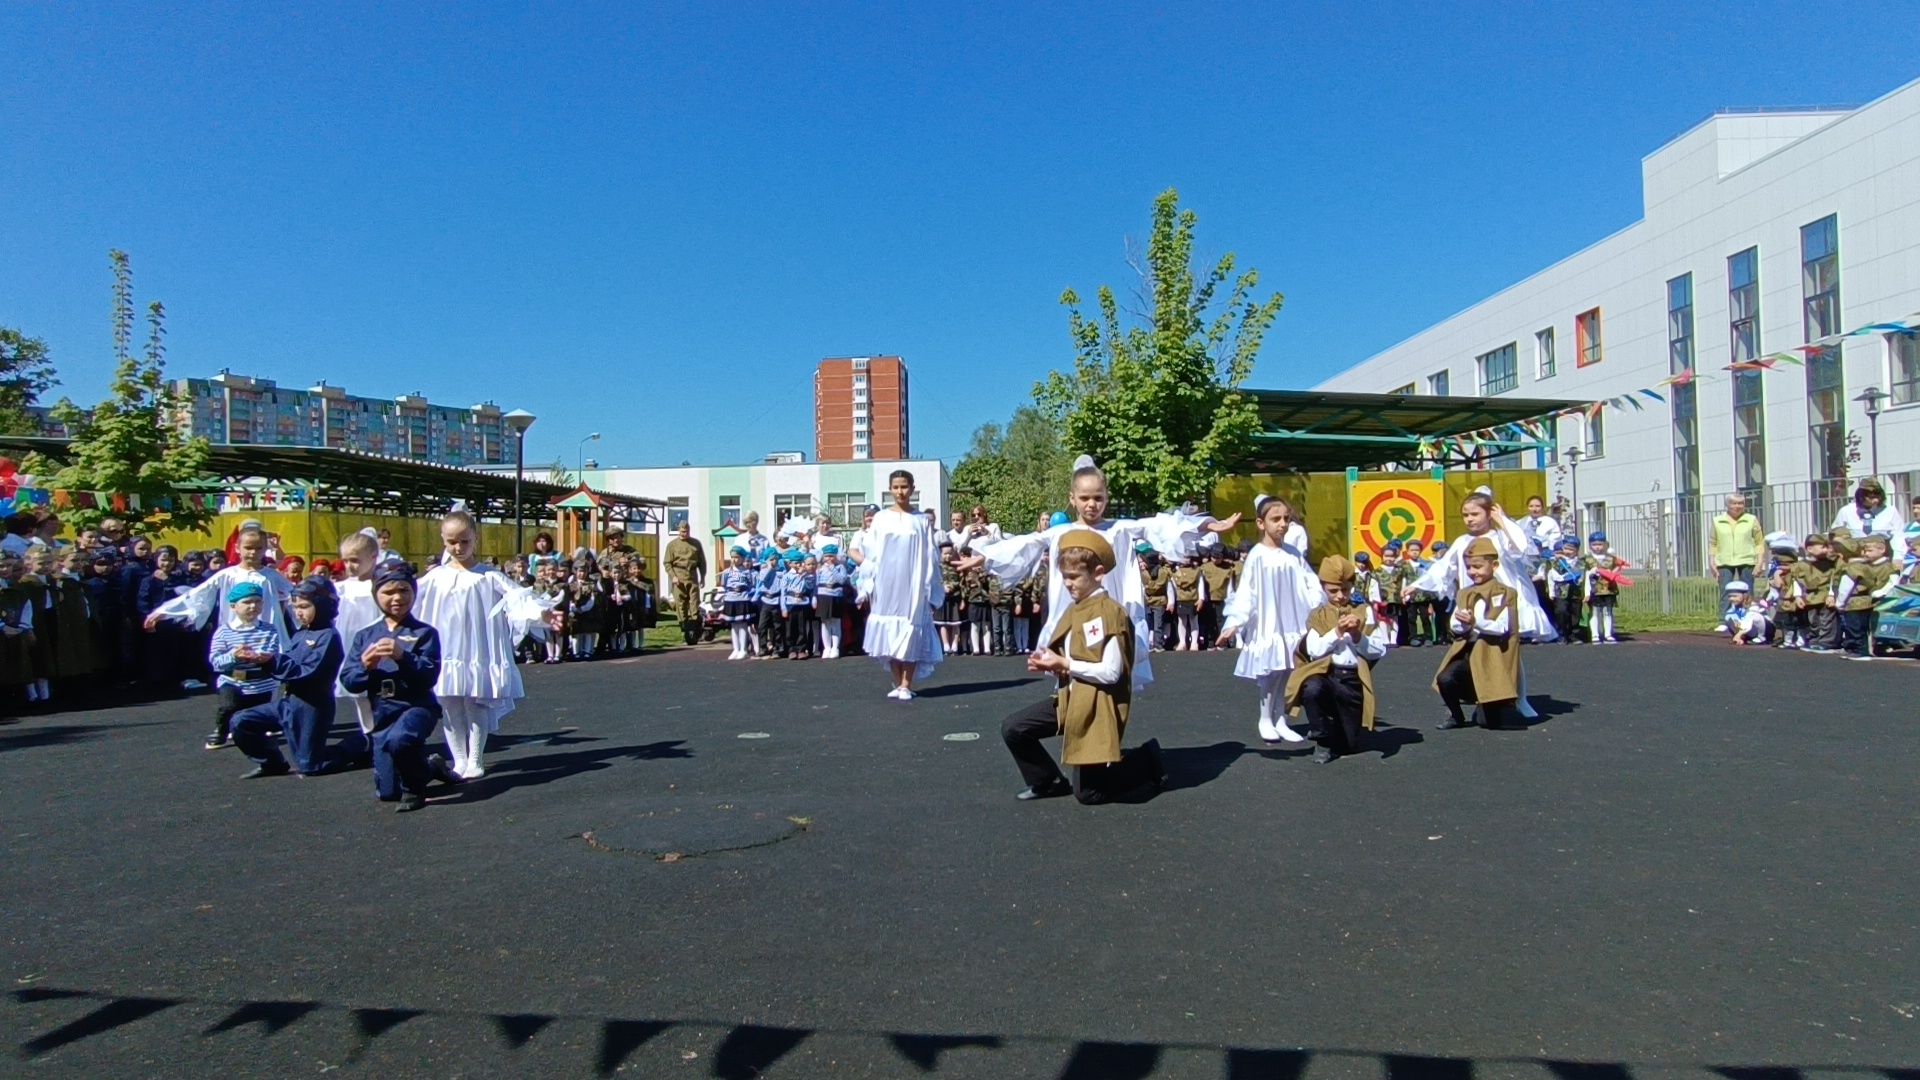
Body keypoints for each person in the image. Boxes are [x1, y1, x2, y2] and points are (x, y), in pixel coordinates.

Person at [963, 457, 1237, 691]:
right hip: (1069, 615)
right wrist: (982, 557)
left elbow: (1160, 526)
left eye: (1098, 498)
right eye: (1084, 498)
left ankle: (1106, 737)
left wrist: (1206, 525)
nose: (1091, 504)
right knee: (1070, 674)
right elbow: (1024, 544)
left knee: (1108, 674)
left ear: (1107, 498)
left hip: (1108, 615)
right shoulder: (1061, 532)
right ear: (1072, 499)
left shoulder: (1119, 529)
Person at [997, 529, 1166, 804]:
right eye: (1064, 577)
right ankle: (1047, 781)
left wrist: (1065, 663)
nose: (1068, 584)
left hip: (1097, 705)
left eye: (1074, 577)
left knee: (1089, 794)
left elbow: (1111, 673)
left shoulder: (1109, 612)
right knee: (1014, 728)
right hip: (1071, 699)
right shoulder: (1076, 609)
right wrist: (1051, 665)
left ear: (1098, 573)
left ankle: (1148, 761)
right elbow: (1072, 658)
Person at [413, 509, 552, 779]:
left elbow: (517, 599)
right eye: (452, 541)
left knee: (475, 703)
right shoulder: (434, 578)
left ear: (475, 539)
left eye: (464, 541)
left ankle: (475, 758)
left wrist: (542, 613)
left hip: (478, 651)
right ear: (443, 540)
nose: (458, 547)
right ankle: (459, 760)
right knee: (450, 705)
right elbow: (411, 603)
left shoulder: (488, 576)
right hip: (447, 651)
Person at [1412, 492, 1556, 717]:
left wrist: (1502, 521)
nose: (1469, 519)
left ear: (1489, 513)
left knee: (1509, 651)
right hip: (1473, 602)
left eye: (1475, 514)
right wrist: (1417, 585)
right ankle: (1483, 695)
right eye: (1465, 515)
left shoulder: (1500, 537)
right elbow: (1444, 568)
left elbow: (1522, 548)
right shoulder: (1462, 542)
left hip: (1501, 601)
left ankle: (1520, 698)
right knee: (1474, 650)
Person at [340, 563, 459, 812]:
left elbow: (428, 677)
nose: (397, 598)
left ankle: (415, 792)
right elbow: (348, 680)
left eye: (404, 590)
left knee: (401, 741)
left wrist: (402, 656)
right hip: (383, 711)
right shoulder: (366, 636)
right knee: (387, 792)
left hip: (416, 706)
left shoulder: (424, 633)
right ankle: (430, 768)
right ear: (376, 595)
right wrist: (365, 666)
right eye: (388, 592)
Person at [230, 577, 372, 778]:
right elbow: (286, 665)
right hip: (289, 701)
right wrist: (255, 662)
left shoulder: (328, 636)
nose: (298, 612)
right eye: (295, 606)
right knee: (241, 722)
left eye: (304, 606)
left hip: (311, 706)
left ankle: (362, 743)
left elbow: (307, 672)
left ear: (322, 605)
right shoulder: (301, 634)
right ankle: (272, 763)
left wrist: (271, 661)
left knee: (312, 765)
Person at [1216, 495, 1324, 744]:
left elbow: (1310, 583)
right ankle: (1265, 718)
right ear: (1261, 523)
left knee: (1287, 668)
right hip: (1269, 623)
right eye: (1276, 519)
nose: (1283, 524)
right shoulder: (1257, 555)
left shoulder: (1293, 553)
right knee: (1270, 671)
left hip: (1292, 621)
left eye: (1286, 518)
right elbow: (1247, 593)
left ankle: (1280, 719)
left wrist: (1319, 607)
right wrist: (1234, 623)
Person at [1283, 554, 1390, 764]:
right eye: (1333, 591)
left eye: (1346, 590)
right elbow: (1314, 650)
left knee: (1348, 745)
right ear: (1324, 588)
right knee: (1312, 688)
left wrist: (1358, 636)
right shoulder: (1319, 615)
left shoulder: (1363, 611)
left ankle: (1341, 731)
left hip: (1352, 680)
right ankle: (1321, 738)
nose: (1340, 596)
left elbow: (1378, 650)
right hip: (1327, 675)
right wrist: (1337, 632)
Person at [854, 470, 946, 698]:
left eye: (904, 487)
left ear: (912, 489)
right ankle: (898, 683)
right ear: (890, 489)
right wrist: (867, 584)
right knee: (888, 633)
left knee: (911, 630)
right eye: (895, 487)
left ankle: (907, 683)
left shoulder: (922, 520)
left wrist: (930, 589)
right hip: (886, 584)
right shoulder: (881, 518)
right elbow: (870, 553)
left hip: (912, 584)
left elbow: (930, 556)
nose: (900, 492)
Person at [146, 524, 297, 647]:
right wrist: (165, 612)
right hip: (234, 631)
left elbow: (295, 597)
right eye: (248, 548)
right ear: (238, 548)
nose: (253, 552)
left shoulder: (272, 575)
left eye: (258, 548)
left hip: (267, 632)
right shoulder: (227, 574)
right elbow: (198, 595)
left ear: (265, 549)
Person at [1432, 537, 1524, 731]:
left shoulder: (1505, 593)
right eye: (1469, 568)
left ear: (1494, 565)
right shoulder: (1465, 593)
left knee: (1491, 722)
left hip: (1492, 655)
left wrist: (1476, 623)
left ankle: (1490, 706)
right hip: (1469, 651)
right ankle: (1456, 716)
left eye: (1477, 567)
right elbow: (1456, 625)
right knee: (1445, 678)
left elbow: (1502, 627)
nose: (1473, 572)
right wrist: (1462, 625)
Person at [206, 582, 282, 750]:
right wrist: (233, 656)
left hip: (261, 682)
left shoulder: (269, 629)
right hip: (233, 680)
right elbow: (215, 661)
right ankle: (221, 730)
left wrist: (262, 657)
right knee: (228, 706)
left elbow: (272, 651)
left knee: (257, 713)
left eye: (257, 601)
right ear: (233, 606)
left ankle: (255, 731)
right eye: (247, 602)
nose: (253, 606)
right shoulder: (224, 632)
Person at [1835, 533, 1896, 660]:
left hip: (1856, 601)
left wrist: (1840, 602)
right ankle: (1860, 648)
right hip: (1868, 600)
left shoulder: (1853, 568)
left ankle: (1859, 650)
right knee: (1862, 627)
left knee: (1855, 627)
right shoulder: (1866, 566)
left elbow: (1845, 588)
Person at [1709, 493, 1765, 595]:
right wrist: (1712, 561)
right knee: (1725, 595)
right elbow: (1713, 543)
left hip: (1746, 560)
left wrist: (1760, 562)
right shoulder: (1717, 521)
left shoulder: (1751, 520)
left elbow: (1759, 542)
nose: (1737, 506)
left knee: (1747, 593)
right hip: (1724, 561)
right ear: (1727, 505)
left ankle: (1748, 611)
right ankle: (1726, 612)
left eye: (1740, 503)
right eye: (1734, 503)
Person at [663, 522, 707, 647]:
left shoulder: (696, 543)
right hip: (679, 575)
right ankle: (685, 629)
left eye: (686, 531)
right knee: (681, 604)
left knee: (694, 603)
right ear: (678, 531)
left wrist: (702, 576)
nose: (684, 533)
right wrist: (673, 577)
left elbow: (701, 562)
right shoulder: (672, 545)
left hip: (692, 575)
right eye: (682, 531)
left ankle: (694, 631)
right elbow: (667, 563)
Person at [1581, 532, 1628, 644]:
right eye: (1594, 544)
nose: (1597, 547)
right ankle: (1595, 635)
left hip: (1609, 590)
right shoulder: (1586, 559)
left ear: (1605, 545)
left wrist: (1612, 573)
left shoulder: (1611, 559)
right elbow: (1585, 577)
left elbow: (1619, 568)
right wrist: (1587, 593)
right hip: (1594, 590)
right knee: (1595, 613)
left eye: (1600, 544)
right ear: (1590, 545)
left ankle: (1608, 634)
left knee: (1608, 612)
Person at [1519, 495, 1563, 611]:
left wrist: (1544, 545)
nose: (1534, 509)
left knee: (1543, 592)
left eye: (1537, 506)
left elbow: (1556, 540)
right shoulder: (1521, 523)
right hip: (1526, 562)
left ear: (1542, 507)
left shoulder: (1550, 522)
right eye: (1531, 506)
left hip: (1544, 561)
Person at [1799, 534, 1841, 652]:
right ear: (1809, 549)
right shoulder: (1802, 564)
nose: (1826, 550)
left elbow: (1834, 580)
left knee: (1827, 619)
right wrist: (1798, 596)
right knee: (1813, 620)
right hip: (1810, 597)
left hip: (1825, 595)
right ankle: (1814, 639)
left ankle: (1826, 641)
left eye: (1827, 547)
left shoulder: (1830, 564)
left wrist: (1832, 594)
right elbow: (1796, 580)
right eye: (1822, 547)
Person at [1831, 478, 1906, 539]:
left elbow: (1899, 535)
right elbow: (1836, 533)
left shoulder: (1890, 511)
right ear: (1861, 496)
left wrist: (1897, 556)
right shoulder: (1846, 511)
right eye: (1871, 497)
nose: (1876, 500)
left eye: (1878, 496)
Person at [719, 546, 756, 660]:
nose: (734, 560)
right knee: (734, 625)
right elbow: (724, 585)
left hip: (743, 599)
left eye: (737, 557)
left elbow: (751, 585)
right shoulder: (726, 572)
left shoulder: (747, 572)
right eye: (732, 557)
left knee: (742, 625)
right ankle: (736, 648)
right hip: (731, 599)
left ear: (742, 558)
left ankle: (743, 649)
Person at [1546, 537, 1585, 643]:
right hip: (1561, 591)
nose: (1568, 552)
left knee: (1575, 613)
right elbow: (1553, 576)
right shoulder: (1557, 562)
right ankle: (1562, 634)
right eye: (1566, 549)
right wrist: (1551, 592)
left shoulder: (1581, 563)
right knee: (1561, 611)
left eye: (1571, 549)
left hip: (1575, 592)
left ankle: (1574, 635)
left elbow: (1582, 577)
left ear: (1577, 551)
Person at [815, 544, 850, 658]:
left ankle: (835, 648)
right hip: (823, 596)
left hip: (836, 596)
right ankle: (827, 647)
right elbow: (816, 584)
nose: (829, 559)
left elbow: (842, 580)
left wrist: (832, 569)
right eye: (827, 556)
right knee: (825, 623)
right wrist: (815, 598)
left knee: (835, 622)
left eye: (832, 556)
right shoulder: (819, 569)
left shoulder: (840, 567)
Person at [780, 549, 816, 660]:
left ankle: (801, 649)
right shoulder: (786, 576)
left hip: (803, 603)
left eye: (800, 562)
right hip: (790, 603)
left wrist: (803, 575)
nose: (798, 564)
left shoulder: (807, 576)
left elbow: (810, 587)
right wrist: (783, 608)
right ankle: (791, 649)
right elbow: (783, 593)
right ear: (790, 563)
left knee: (802, 628)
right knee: (790, 629)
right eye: (795, 562)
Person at [754, 548, 787, 658]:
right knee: (762, 626)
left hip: (776, 601)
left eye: (775, 559)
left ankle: (778, 647)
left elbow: (783, 584)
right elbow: (762, 579)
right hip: (766, 601)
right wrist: (769, 567)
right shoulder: (764, 570)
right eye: (771, 559)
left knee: (777, 626)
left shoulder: (780, 571)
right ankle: (763, 647)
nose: (774, 561)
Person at [1722, 582, 1771, 646]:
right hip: (1749, 631)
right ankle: (1742, 637)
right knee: (1728, 617)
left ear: (1744, 596)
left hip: (1766, 630)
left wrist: (1739, 634)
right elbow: (1736, 622)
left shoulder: (1754, 605)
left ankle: (1761, 638)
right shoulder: (1733, 609)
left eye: (1735, 596)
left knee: (1753, 615)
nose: (1731, 599)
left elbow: (1748, 621)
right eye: (1730, 596)